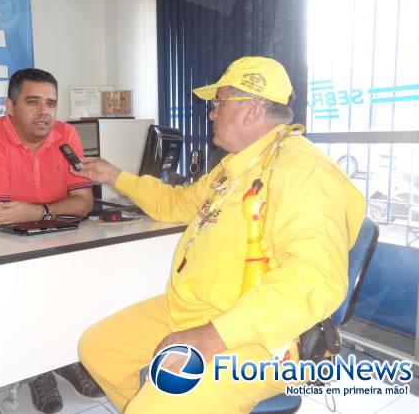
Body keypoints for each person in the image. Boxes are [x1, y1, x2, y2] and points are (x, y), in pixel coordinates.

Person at [75, 56, 366, 414]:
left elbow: (315, 280)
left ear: (252, 110)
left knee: (155, 406)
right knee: (100, 349)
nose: (211, 114)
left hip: (262, 337)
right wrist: (116, 177)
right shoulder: (235, 167)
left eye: (219, 104)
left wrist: (213, 336)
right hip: (196, 310)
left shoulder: (303, 171)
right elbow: (177, 202)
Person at [0, 68, 104, 413]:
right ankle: (38, 367)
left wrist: (36, 210)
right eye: (33, 102)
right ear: (10, 106)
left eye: (51, 104)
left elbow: (84, 204)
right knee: (30, 284)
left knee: (85, 279)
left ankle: (65, 357)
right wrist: (54, 211)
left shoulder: (66, 136)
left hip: (54, 233)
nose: (44, 112)